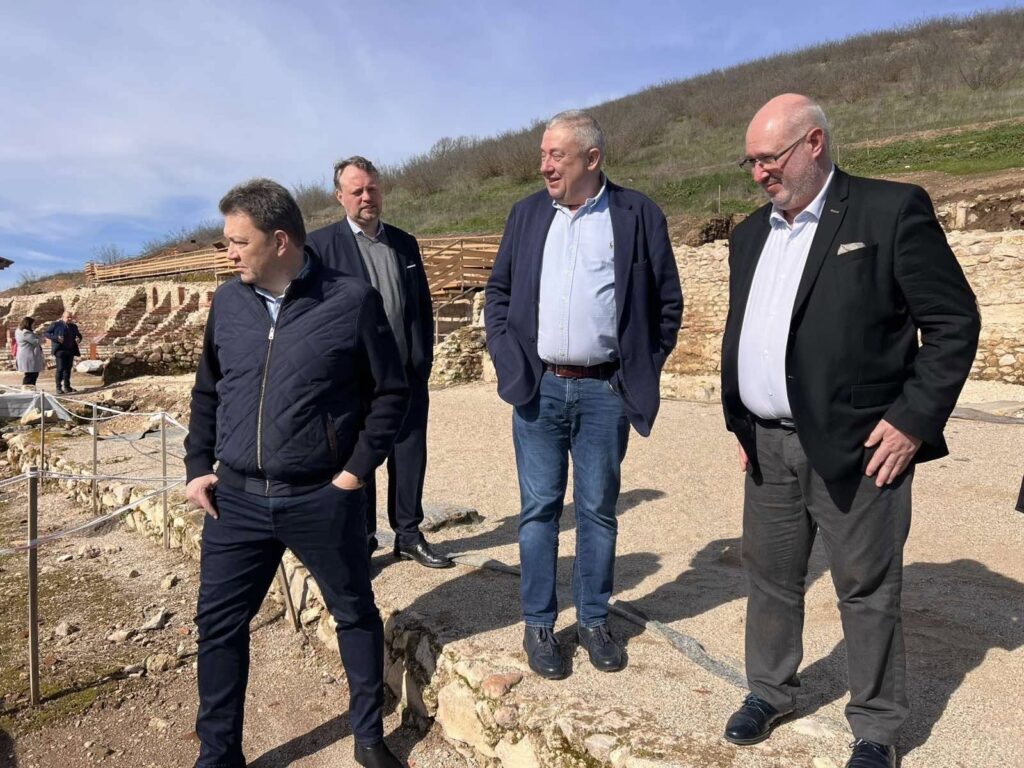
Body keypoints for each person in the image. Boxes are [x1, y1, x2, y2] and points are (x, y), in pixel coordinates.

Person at [720, 94, 980, 768]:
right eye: (751, 162)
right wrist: (743, 416)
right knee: (769, 576)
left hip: (863, 446)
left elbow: (953, 322)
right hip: (766, 443)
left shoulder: (888, 210)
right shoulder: (749, 235)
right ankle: (769, 690)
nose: (759, 173)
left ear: (814, 143)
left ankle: (876, 728)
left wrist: (913, 420)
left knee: (866, 588)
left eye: (769, 158)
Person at [184, 178, 410, 768]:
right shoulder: (227, 303)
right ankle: (218, 755)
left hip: (320, 497)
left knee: (354, 614)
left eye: (238, 242)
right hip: (235, 500)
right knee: (219, 627)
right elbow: (208, 391)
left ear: (280, 241)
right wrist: (196, 466)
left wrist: (352, 476)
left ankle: (369, 738)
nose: (229, 254)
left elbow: (391, 394)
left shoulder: (351, 300)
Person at [485, 110, 682, 680]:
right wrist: (509, 359)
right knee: (539, 511)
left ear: (591, 159)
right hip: (539, 386)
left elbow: (667, 304)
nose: (544, 165)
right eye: (543, 155)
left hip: (604, 391)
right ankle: (539, 624)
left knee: (597, 510)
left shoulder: (637, 214)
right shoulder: (526, 214)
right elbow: (499, 294)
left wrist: (640, 366)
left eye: (557, 155)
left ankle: (594, 620)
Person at [307, 156, 452, 569]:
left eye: (371, 188)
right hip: (355, 380)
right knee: (361, 458)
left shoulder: (404, 243)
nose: (366, 196)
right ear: (340, 197)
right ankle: (364, 540)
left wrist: (423, 359)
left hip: (405, 374)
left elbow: (421, 305)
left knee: (410, 455)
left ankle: (408, 535)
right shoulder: (321, 247)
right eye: (356, 191)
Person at [43, 310, 82, 393]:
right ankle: (58, 387)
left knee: (68, 369)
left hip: (70, 350)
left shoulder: (73, 326)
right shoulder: (56, 324)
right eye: (68, 317)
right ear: (63, 317)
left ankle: (67, 387)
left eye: (71, 317)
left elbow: (78, 335)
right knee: (60, 368)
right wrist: (56, 338)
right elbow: (46, 333)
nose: (70, 319)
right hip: (60, 350)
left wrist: (79, 339)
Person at [15, 317, 44, 387]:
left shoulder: (19, 330)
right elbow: (36, 341)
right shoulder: (26, 332)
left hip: (25, 355)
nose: (34, 326)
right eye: (33, 324)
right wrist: (40, 336)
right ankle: (28, 389)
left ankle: (29, 388)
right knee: (31, 374)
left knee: (30, 374)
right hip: (29, 356)